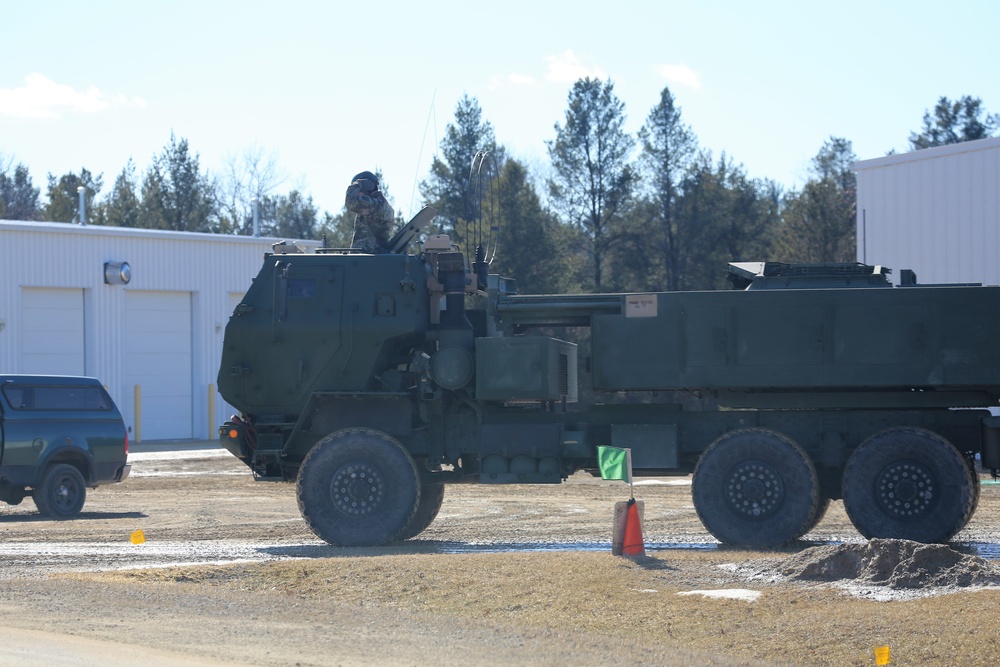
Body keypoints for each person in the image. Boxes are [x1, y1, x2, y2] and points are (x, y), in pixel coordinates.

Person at [345, 171, 395, 253]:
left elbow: (350, 201)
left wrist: (359, 183)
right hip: (368, 259)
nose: (358, 194)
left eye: (359, 191)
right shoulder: (378, 204)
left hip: (367, 260)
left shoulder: (376, 205)